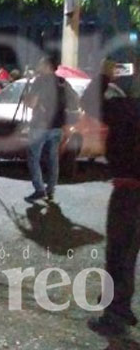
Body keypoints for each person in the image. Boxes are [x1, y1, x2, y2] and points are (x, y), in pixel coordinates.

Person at [88, 62, 140, 337]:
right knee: (127, 254)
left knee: (119, 254)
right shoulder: (126, 107)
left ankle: (116, 312)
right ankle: (121, 306)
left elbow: (88, 103)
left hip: (129, 192)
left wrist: (105, 75)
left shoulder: (125, 108)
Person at [23, 55, 68, 204]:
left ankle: (39, 189)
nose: (38, 66)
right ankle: (51, 190)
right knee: (53, 159)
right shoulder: (62, 81)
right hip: (57, 125)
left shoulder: (40, 81)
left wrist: (27, 97)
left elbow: (31, 103)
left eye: (41, 64)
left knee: (33, 157)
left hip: (40, 125)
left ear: (47, 66)